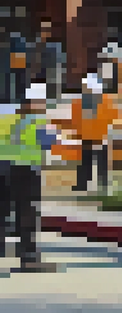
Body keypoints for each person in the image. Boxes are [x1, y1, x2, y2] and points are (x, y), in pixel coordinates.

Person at [0, 83, 60, 272]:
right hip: (26, 171)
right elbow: (48, 143)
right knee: (27, 213)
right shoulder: (38, 121)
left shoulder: (5, 116)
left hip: (3, 168)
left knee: (2, 212)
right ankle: (29, 258)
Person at [72, 74, 117, 193]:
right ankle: (85, 184)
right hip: (89, 136)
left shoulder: (104, 101)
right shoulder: (81, 102)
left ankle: (100, 184)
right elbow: (76, 119)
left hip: (98, 136)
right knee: (87, 161)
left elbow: (111, 117)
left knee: (98, 161)